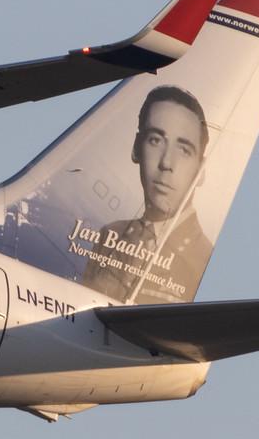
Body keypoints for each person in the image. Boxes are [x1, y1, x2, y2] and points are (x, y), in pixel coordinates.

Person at [81, 85, 215, 304]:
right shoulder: (110, 234)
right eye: (155, 140)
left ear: (201, 170)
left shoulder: (201, 258)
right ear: (136, 148)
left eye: (184, 150)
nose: (166, 163)